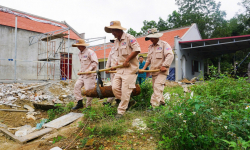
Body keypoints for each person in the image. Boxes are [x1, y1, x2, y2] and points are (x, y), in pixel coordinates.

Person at [104, 21, 141, 118]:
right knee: (115, 88)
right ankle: (128, 101)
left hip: (130, 69)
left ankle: (121, 112)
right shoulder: (116, 41)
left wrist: (127, 59)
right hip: (120, 69)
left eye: (113, 30)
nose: (112, 33)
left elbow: (137, 50)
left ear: (118, 30)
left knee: (125, 91)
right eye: (111, 30)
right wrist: (115, 64)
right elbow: (118, 56)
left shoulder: (130, 38)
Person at [139, 28, 174, 108]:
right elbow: (148, 59)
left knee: (157, 87)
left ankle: (154, 106)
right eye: (150, 38)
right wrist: (143, 69)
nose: (151, 39)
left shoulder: (164, 45)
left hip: (162, 71)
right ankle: (162, 103)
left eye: (152, 37)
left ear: (156, 37)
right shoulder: (150, 47)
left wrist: (164, 65)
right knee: (156, 88)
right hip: (154, 72)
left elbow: (170, 55)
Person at [72, 39, 98, 110]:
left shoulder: (90, 52)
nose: (78, 47)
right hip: (83, 74)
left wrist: (89, 69)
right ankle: (79, 102)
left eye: (79, 46)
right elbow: (83, 64)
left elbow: (95, 62)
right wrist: (81, 71)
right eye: (77, 46)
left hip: (90, 75)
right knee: (76, 86)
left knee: (88, 90)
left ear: (83, 45)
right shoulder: (79, 53)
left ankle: (88, 107)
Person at [103, 39, 119, 106]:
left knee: (117, 87)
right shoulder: (112, 49)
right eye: (114, 41)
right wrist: (107, 68)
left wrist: (115, 66)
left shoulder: (122, 49)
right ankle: (109, 101)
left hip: (119, 70)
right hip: (112, 71)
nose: (115, 42)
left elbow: (122, 59)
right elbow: (109, 59)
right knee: (113, 86)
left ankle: (118, 101)